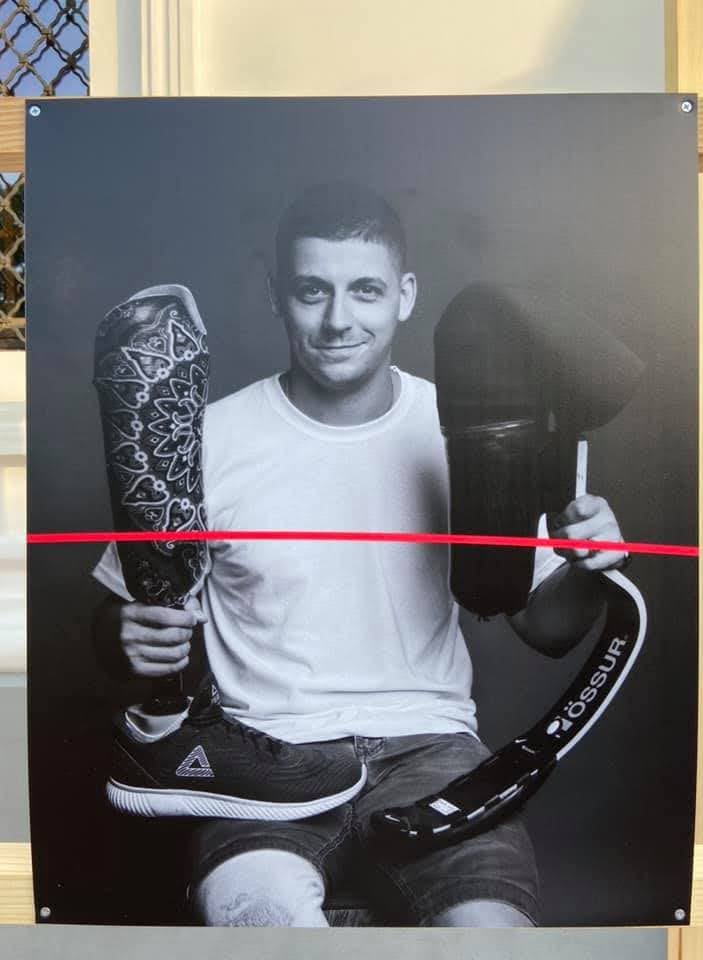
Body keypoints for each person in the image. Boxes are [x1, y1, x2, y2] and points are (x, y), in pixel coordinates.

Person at [92, 182, 627, 927]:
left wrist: (591, 567)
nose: (339, 319)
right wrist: (123, 635)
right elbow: (120, 620)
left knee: (492, 938)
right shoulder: (203, 439)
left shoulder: (466, 429)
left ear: (404, 296)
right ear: (275, 295)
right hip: (261, 762)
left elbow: (547, 626)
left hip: (432, 751)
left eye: (365, 290)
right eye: (312, 291)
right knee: (260, 920)